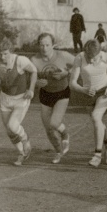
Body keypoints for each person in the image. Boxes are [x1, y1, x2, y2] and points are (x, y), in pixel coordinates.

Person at [0, 38, 37, 166]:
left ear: (11, 52)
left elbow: (34, 71)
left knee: (13, 126)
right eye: (0, 53)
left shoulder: (20, 60)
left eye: (6, 54)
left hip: (21, 99)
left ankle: (25, 140)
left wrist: (31, 89)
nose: (2, 57)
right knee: (9, 130)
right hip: (5, 98)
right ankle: (22, 153)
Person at [69, 39, 107, 167]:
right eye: (88, 57)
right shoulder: (79, 58)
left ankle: (97, 154)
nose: (91, 60)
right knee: (97, 122)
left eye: (94, 58)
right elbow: (72, 83)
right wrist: (83, 90)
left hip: (104, 91)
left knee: (96, 117)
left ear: (99, 53)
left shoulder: (106, 57)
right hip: (88, 93)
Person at [31, 33, 75, 164]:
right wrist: (37, 83)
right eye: (41, 45)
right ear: (38, 45)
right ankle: (57, 152)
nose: (44, 48)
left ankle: (65, 134)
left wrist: (66, 73)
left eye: (47, 45)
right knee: (49, 129)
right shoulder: (34, 60)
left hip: (62, 92)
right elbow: (30, 77)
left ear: (53, 45)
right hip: (46, 94)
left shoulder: (63, 55)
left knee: (54, 123)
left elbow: (79, 64)